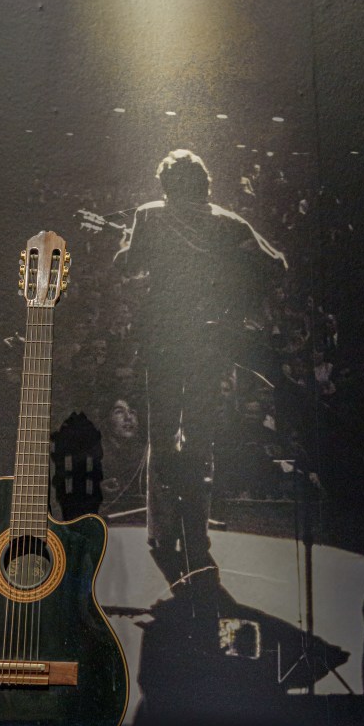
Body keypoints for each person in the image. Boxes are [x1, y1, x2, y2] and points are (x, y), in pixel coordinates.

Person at [116, 149, 287, 610]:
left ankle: (160, 531)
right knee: (199, 437)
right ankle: (196, 535)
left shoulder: (149, 216)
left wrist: (124, 252)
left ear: (166, 184)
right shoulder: (231, 224)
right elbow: (278, 265)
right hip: (211, 341)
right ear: (205, 183)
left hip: (165, 342)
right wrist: (235, 296)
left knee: (162, 431)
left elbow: (127, 266)